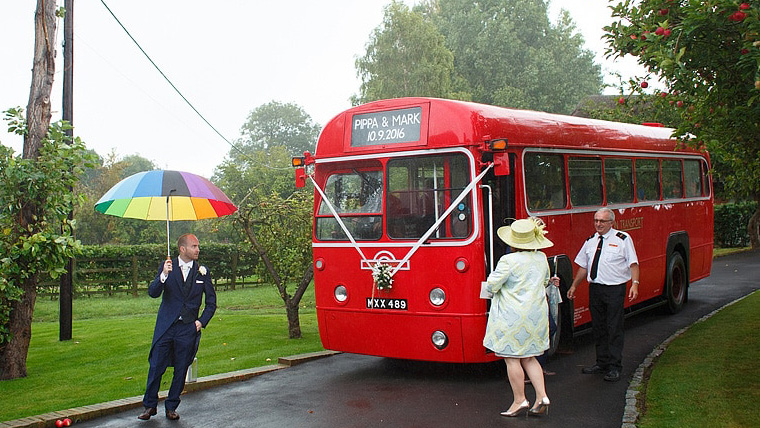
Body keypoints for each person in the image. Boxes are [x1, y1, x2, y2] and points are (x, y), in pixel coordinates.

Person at [483, 217, 557, 417]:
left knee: (511, 358)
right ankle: (542, 395)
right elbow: (544, 282)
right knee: (530, 357)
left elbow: (492, 285)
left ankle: (519, 400)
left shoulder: (508, 260)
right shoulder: (541, 258)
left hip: (511, 315)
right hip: (535, 315)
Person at [138, 234, 217, 421]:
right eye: (194, 246)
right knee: (156, 366)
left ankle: (171, 406)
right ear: (182, 249)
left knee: (181, 369)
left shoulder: (202, 272)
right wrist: (163, 275)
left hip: (188, 328)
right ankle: (149, 406)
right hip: (166, 327)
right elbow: (153, 292)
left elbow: (211, 303)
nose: (198, 249)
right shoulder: (168, 267)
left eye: (198, 246)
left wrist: (200, 323)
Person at [567, 208, 639, 383]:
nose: (598, 224)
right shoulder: (590, 241)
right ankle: (602, 362)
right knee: (598, 327)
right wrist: (574, 285)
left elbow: (633, 263)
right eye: (596, 220)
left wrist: (634, 285)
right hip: (596, 289)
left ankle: (615, 367)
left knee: (614, 327)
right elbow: (584, 266)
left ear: (611, 223)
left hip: (615, 289)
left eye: (602, 221)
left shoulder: (622, 239)